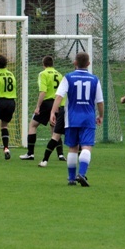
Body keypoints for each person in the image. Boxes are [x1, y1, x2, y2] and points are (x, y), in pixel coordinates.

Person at [50, 52, 103, 187]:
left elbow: (59, 97)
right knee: (86, 146)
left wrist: (53, 112)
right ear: (89, 64)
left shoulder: (68, 77)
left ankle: (71, 178)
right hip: (88, 117)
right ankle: (82, 173)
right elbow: (100, 101)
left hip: (72, 117)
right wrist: (101, 115)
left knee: (73, 148)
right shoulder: (94, 79)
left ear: (75, 63)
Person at [19, 56, 65, 162]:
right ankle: (61, 154)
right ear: (52, 63)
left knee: (33, 125)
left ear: (43, 64)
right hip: (57, 104)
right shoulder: (59, 75)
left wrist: (38, 106)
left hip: (47, 103)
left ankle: (30, 153)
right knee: (55, 129)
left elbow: (43, 91)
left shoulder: (43, 74)